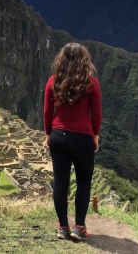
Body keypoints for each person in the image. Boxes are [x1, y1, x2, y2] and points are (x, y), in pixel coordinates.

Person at [43, 42, 102, 240]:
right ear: (84, 62)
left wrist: (48, 135)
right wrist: (95, 136)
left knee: (60, 183)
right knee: (84, 183)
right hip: (83, 138)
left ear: (61, 61)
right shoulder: (91, 83)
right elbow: (96, 114)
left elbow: (47, 112)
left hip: (59, 136)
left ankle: (62, 227)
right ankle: (79, 227)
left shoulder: (53, 82)